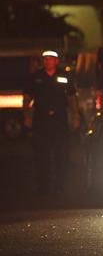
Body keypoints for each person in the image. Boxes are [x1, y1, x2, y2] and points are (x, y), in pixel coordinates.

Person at [23, 50, 80, 194]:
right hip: (41, 120)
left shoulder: (64, 76)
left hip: (59, 119)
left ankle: (60, 184)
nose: (48, 62)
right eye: (46, 59)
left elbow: (72, 98)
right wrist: (27, 116)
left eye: (51, 59)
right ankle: (43, 185)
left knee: (61, 153)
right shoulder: (35, 77)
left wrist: (75, 116)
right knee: (41, 154)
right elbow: (27, 98)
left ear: (57, 61)